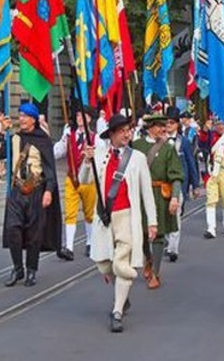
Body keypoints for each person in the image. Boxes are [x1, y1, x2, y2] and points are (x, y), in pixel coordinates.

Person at [79, 114, 158, 333]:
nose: (127, 134)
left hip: (127, 216)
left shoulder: (138, 158)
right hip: (104, 218)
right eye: (122, 130)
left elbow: (146, 193)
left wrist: (152, 222)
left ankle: (116, 311)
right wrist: (87, 161)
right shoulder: (99, 154)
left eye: (129, 130)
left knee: (122, 262)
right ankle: (122, 294)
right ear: (112, 134)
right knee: (104, 264)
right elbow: (84, 180)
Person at [2, 102, 62, 287]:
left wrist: (49, 192)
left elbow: (50, 169)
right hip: (16, 191)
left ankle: (31, 270)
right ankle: (17, 268)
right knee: (13, 228)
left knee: (35, 234)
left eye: (25, 116)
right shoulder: (14, 137)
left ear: (33, 120)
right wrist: (2, 135)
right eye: (19, 115)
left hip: (35, 190)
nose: (21, 119)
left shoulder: (43, 140)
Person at [131, 112, 182, 289]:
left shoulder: (168, 148)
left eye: (164, 126)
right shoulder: (136, 146)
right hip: (140, 195)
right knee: (142, 232)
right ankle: (148, 258)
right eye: (160, 126)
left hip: (160, 194)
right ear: (151, 128)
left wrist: (175, 196)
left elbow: (176, 175)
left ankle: (156, 273)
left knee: (159, 233)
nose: (163, 129)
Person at [54, 103, 98, 261]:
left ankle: (90, 242)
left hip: (89, 180)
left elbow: (100, 159)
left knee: (89, 213)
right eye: (78, 116)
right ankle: (69, 247)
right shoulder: (69, 135)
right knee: (70, 213)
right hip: (71, 179)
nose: (80, 119)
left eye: (83, 116)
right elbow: (57, 153)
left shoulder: (95, 138)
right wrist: (62, 139)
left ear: (89, 119)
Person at [164, 107, 200, 262]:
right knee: (164, 215)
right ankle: (168, 240)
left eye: (171, 123)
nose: (168, 126)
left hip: (180, 184)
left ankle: (173, 248)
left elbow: (191, 163)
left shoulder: (184, 142)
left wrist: (195, 185)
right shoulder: (160, 140)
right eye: (166, 123)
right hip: (163, 184)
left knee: (176, 214)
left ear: (177, 125)